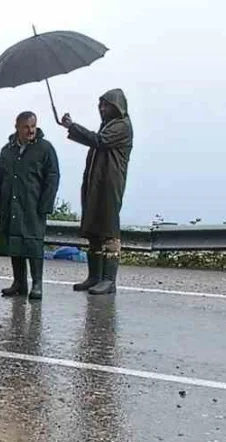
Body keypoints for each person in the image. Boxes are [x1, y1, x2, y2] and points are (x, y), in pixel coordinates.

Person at [60, 89, 133, 295]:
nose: (102, 109)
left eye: (106, 105)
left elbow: (99, 140)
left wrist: (72, 126)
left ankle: (109, 280)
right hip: (95, 184)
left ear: (116, 106)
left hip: (110, 185)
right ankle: (94, 277)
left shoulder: (122, 126)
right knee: (93, 230)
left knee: (109, 231)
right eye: (100, 105)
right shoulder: (108, 126)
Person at [0, 111, 60, 300]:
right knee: (15, 243)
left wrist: (46, 204)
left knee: (33, 243)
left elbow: (52, 177)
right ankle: (19, 283)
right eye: (26, 127)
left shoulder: (45, 149)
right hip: (11, 204)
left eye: (33, 126)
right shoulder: (8, 149)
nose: (30, 131)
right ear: (17, 127)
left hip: (33, 205)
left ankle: (37, 284)